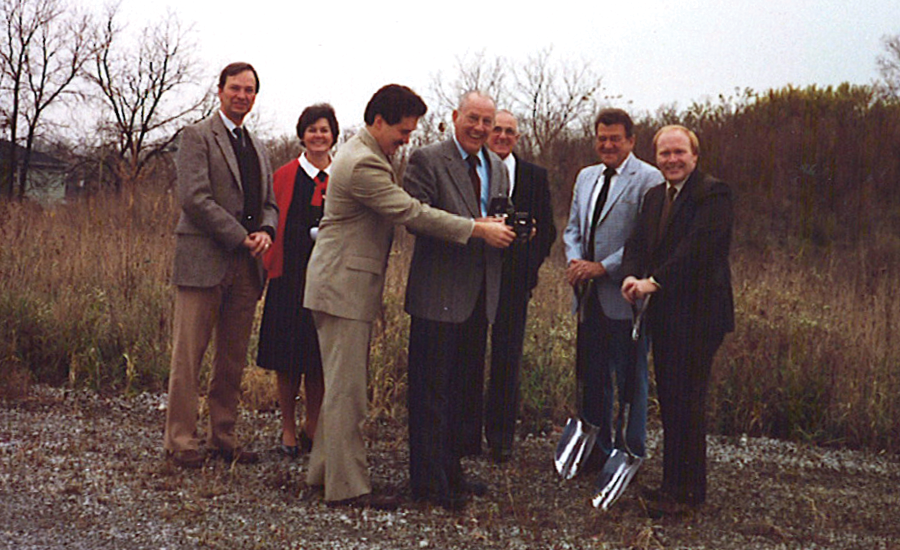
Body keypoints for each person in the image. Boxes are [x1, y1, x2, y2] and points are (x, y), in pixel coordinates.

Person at [303, 84, 514, 510]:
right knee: (349, 394)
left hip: (345, 286)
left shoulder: (369, 154)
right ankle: (348, 489)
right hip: (342, 286)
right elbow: (411, 212)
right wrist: (477, 228)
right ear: (378, 121)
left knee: (342, 389)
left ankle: (324, 473)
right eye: (402, 130)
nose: (407, 138)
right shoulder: (364, 163)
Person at [163, 62, 277, 468]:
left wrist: (266, 230)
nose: (242, 96)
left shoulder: (258, 146)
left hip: (246, 267)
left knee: (231, 358)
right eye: (235, 88)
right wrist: (238, 235)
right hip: (203, 262)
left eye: (249, 90)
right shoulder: (197, 136)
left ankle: (223, 436)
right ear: (220, 90)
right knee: (189, 355)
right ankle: (181, 440)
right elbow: (194, 198)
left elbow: (269, 203)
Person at [403, 90, 510, 509]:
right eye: (473, 119)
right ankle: (428, 486)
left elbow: (496, 216)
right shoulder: (427, 159)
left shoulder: (498, 167)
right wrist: (475, 229)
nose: (480, 128)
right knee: (431, 392)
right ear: (455, 117)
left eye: (487, 121)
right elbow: (416, 219)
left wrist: (513, 231)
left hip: (480, 294)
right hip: (437, 294)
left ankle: (452, 472)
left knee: (463, 391)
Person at [621, 125, 734, 513]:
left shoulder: (713, 194)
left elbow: (698, 249)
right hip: (665, 317)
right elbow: (636, 244)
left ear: (694, 156)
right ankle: (673, 486)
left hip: (700, 318)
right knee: (670, 402)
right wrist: (631, 276)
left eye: (679, 153)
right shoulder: (655, 197)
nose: (672, 160)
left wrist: (654, 281)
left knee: (687, 402)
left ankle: (689, 495)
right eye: (665, 154)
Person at [563, 108, 661, 470]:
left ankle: (630, 451)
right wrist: (576, 262)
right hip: (589, 298)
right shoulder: (586, 176)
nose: (607, 144)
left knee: (631, 382)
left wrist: (602, 267)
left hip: (625, 297)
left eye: (615, 139)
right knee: (594, 376)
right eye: (601, 138)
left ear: (630, 141)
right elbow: (572, 228)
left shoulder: (648, 179)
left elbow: (644, 240)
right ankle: (597, 450)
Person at [257, 104, 338, 459]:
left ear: (334, 134)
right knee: (287, 359)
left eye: (324, 129)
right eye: (311, 130)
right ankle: (288, 429)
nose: (318, 136)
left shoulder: (344, 175)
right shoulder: (285, 175)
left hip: (331, 281)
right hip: (290, 279)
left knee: (319, 359)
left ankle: (314, 425)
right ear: (301, 134)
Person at [483, 109, 556, 463]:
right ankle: (466, 434)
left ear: (518, 137)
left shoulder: (533, 175)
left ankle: (501, 439)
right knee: (468, 357)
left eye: (509, 131)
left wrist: (528, 268)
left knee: (506, 358)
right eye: (496, 129)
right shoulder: (474, 169)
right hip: (473, 277)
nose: (502, 136)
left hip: (514, 281)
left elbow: (549, 232)